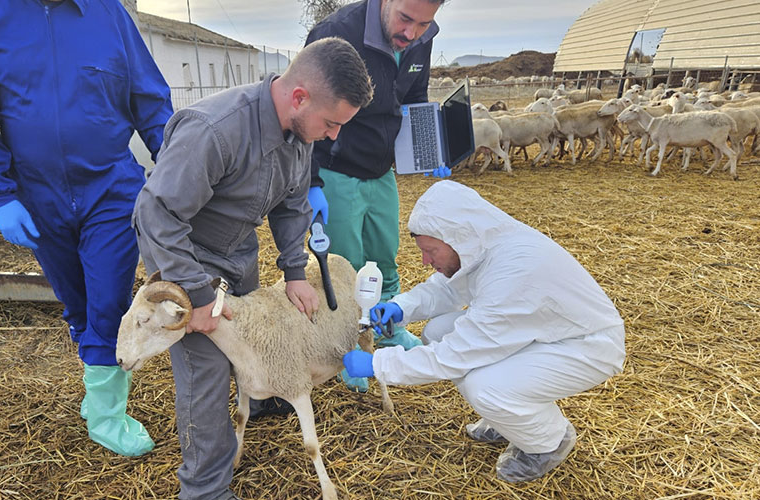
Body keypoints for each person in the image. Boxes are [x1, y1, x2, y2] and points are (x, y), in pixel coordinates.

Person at [132, 37, 373, 500]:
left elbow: (290, 206)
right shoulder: (214, 131)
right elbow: (156, 215)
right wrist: (198, 297)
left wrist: (296, 271)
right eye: (332, 122)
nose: (334, 135)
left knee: (253, 340)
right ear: (299, 97)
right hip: (185, 259)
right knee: (204, 372)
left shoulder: (298, 133)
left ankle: (259, 396)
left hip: (236, 254)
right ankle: (205, 488)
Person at [0, 0, 173, 457]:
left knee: (108, 303)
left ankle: (107, 413)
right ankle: (97, 385)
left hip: (110, 186)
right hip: (36, 192)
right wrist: (2, 194)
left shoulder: (107, 13)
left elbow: (150, 100)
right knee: (78, 304)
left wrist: (176, 172)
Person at [342, 180, 626, 483]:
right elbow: (449, 289)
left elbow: (455, 355)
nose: (426, 260)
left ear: (455, 238)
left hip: (587, 345)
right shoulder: (483, 245)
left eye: (431, 251)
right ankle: (509, 419)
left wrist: (379, 365)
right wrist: (402, 307)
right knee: (438, 330)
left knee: (485, 387)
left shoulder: (513, 272)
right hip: (549, 333)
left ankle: (549, 441)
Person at [304, 0, 450, 393]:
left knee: (385, 253)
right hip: (338, 167)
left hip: (380, 168)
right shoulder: (336, 34)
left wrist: (428, 144)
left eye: (424, 23)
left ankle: (386, 332)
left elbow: (415, 93)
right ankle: (348, 346)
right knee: (345, 264)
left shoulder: (421, 37)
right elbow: (309, 112)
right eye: (405, 18)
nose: (411, 33)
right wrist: (312, 181)